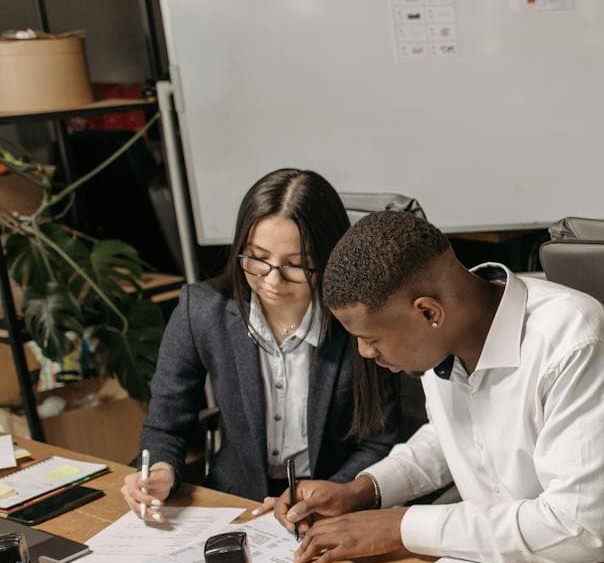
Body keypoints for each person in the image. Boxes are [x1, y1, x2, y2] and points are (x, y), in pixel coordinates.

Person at [273, 211, 604, 563]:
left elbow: (578, 531)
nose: (364, 352)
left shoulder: (572, 339)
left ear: (428, 313)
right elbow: (453, 437)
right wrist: (364, 489)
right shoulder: (441, 340)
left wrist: (397, 526)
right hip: (513, 562)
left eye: (370, 337)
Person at [123, 169, 401, 520]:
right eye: (256, 258)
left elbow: (379, 441)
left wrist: (333, 494)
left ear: (328, 259)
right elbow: (166, 424)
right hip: (234, 501)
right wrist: (162, 469)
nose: (272, 280)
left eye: (295, 265)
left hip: (332, 501)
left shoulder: (359, 320)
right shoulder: (203, 311)